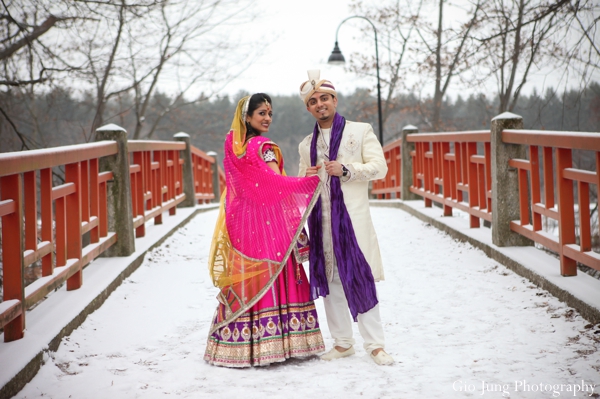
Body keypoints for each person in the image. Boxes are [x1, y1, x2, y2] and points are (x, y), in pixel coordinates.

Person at [204, 93, 325, 367]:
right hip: (267, 221)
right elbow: (275, 183)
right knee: (274, 271)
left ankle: (238, 345)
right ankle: (283, 342)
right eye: (262, 113)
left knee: (250, 275)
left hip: (243, 220)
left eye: (270, 113)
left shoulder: (232, 146)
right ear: (247, 117)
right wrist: (305, 182)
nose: (267, 118)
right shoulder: (264, 146)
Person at [297, 70, 394, 366]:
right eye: (313, 101)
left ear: (334, 100)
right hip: (322, 222)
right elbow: (301, 184)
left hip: (352, 221)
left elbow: (380, 168)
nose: (320, 104)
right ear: (308, 108)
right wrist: (308, 178)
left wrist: (347, 170)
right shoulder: (305, 146)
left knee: (360, 278)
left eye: (324, 98)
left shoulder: (360, 131)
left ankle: (375, 345)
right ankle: (342, 342)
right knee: (331, 280)